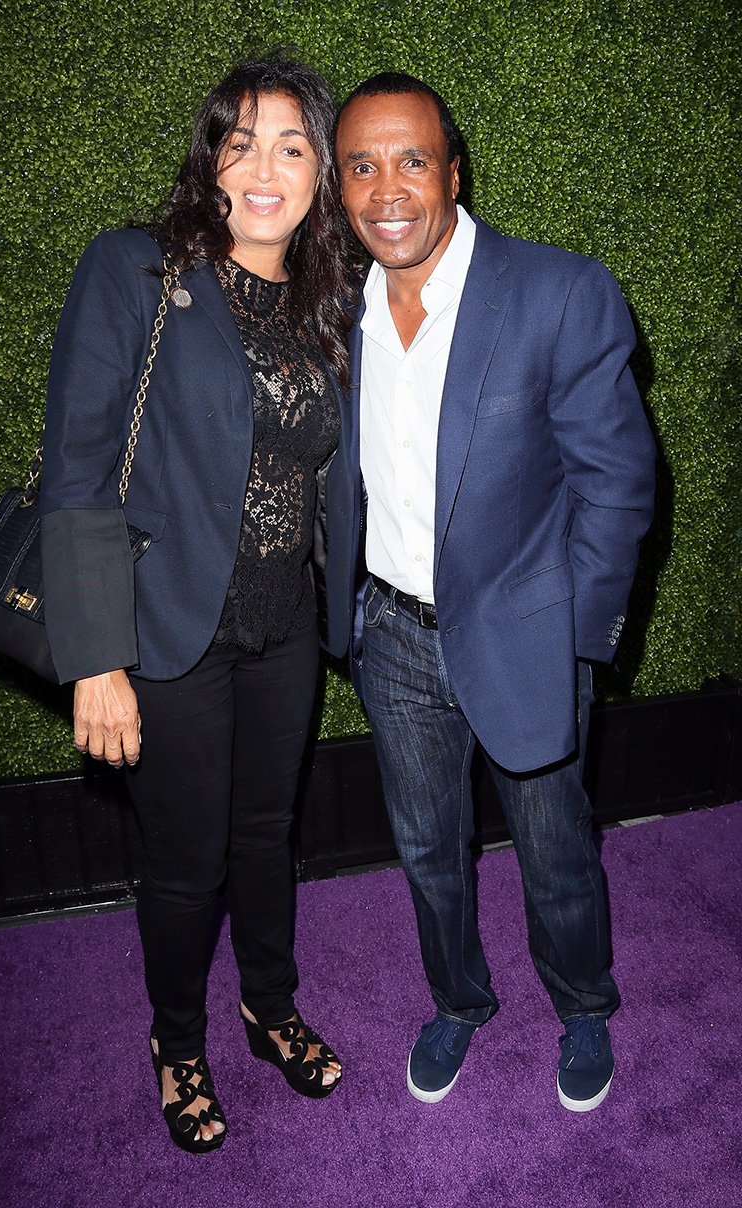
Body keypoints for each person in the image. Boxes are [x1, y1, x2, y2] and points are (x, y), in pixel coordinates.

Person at [40, 55, 355, 1153]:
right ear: (208, 151)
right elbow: (78, 464)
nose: (263, 168)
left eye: (291, 145)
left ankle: (267, 1005)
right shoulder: (138, 268)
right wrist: (94, 655)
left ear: (320, 169)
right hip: (169, 632)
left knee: (266, 834)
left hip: (286, 628)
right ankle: (177, 1040)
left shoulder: (329, 303)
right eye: (242, 140)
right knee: (186, 861)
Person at [335, 73, 655, 1112]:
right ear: (340, 187)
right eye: (361, 165)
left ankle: (582, 1005)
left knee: (553, 847)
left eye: (411, 159)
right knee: (426, 848)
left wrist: (573, 638)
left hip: (524, 632)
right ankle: (457, 1000)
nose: (388, 188)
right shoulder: (335, 307)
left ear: (452, 169)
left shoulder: (557, 291)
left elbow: (615, 483)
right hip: (388, 632)